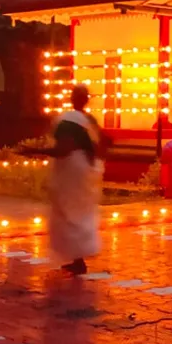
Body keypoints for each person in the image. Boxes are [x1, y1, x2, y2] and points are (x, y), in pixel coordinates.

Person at [39, 85, 105, 275]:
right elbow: (102, 144)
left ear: (72, 98)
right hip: (88, 170)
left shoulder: (67, 121)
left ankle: (78, 258)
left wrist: (36, 151)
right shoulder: (90, 120)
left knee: (68, 213)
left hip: (72, 170)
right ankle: (78, 259)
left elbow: (64, 149)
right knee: (80, 213)